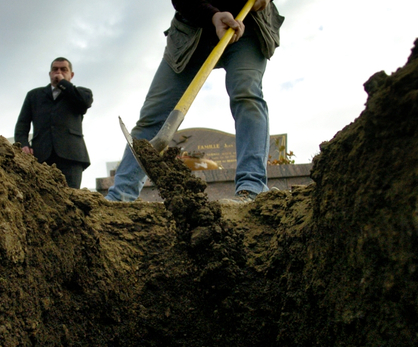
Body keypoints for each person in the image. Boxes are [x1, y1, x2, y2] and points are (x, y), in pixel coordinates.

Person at [105, 0, 284, 204]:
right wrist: (212, 16)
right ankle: (120, 196)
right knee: (154, 114)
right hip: (192, 31)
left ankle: (251, 188)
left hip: (246, 26)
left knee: (246, 94)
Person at [15, 57, 94, 189]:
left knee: (71, 199)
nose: (58, 72)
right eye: (55, 69)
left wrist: (63, 83)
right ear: (50, 73)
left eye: (63, 69)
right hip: (41, 157)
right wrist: (23, 144)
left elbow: (84, 103)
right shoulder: (34, 95)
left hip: (71, 157)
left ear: (71, 75)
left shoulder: (80, 93)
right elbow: (22, 126)